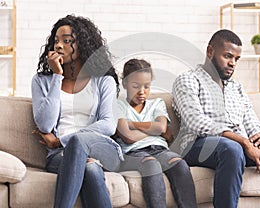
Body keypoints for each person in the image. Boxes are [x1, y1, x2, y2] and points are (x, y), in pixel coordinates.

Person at [172, 29, 260, 208]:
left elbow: (250, 119)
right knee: (232, 149)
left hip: (238, 148)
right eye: (228, 56)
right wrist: (245, 143)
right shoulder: (187, 80)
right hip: (198, 146)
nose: (232, 63)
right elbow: (196, 122)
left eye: (236, 59)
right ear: (210, 51)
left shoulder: (236, 88)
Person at [31, 14, 123, 208]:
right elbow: (45, 124)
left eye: (67, 41)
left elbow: (108, 125)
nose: (58, 46)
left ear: (83, 45)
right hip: (60, 156)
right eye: (56, 41)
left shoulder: (103, 80)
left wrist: (61, 141)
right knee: (90, 170)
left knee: (79, 141)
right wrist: (57, 76)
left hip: (101, 149)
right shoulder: (41, 81)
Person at [114, 58, 197, 208]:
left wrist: (132, 125)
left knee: (179, 164)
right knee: (151, 164)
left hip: (160, 150)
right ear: (125, 83)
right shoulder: (117, 105)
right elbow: (127, 137)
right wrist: (154, 131)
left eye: (146, 86)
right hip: (132, 153)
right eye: (135, 86)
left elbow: (161, 127)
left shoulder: (157, 103)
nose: (142, 92)